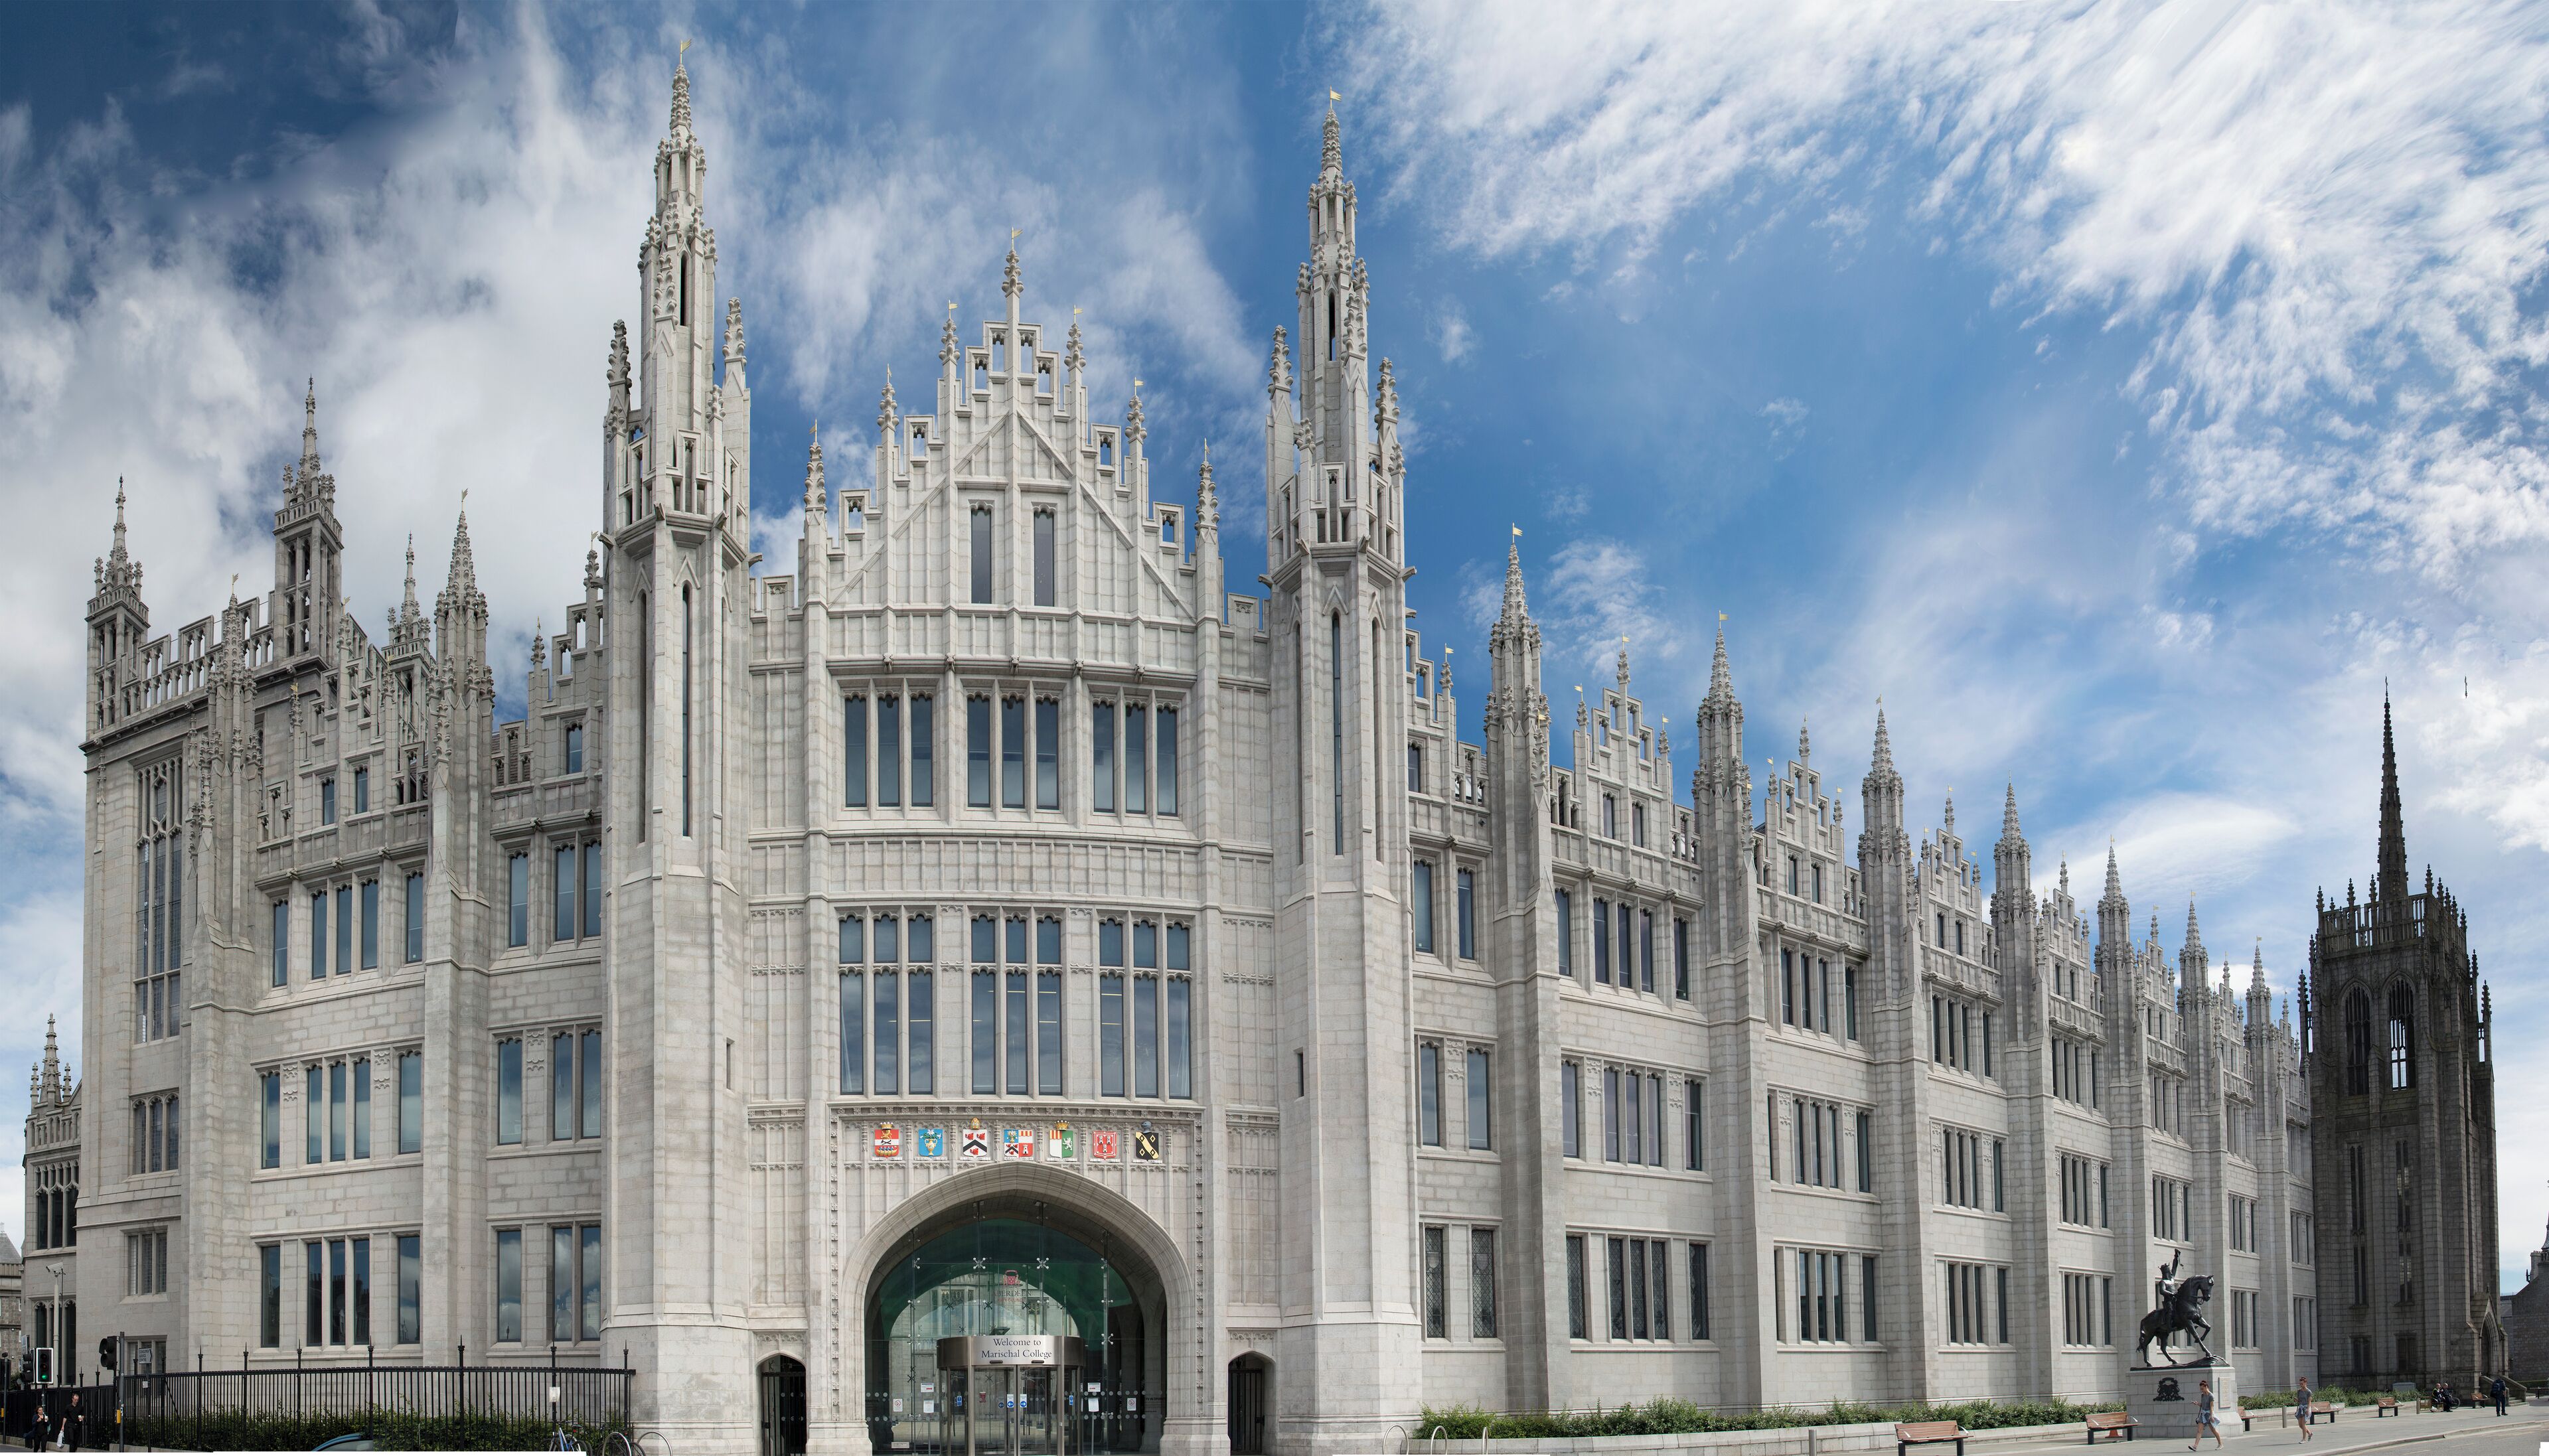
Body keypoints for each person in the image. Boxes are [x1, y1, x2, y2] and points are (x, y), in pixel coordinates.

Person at [2189, 1378, 2222, 1451]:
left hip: (2209, 1414)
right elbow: (2203, 1405)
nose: (2201, 1390)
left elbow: (2211, 1407)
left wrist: (2211, 1417)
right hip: (2203, 1414)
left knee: (2213, 1431)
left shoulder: (2211, 1396)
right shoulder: (2203, 1395)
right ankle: (2195, 1446)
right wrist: (2197, 1404)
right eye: (2201, 1389)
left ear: (2206, 1387)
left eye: (2202, 1389)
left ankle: (2220, 1444)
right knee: (2199, 1430)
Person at [2295, 1376, 2313, 1442]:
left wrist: (2308, 1409)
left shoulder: (2309, 1392)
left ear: (2305, 1383)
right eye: (2300, 1384)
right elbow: (2300, 1401)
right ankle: (2310, 1433)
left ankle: (2304, 1439)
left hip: (2306, 1408)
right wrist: (2297, 1400)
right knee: (2300, 1425)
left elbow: (2309, 1402)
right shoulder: (2299, 1391)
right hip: (2301, 1408)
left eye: (2302, 1384)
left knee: (2303, 1424)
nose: (2301, 1385)